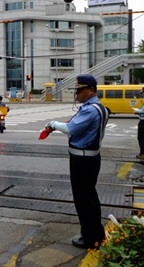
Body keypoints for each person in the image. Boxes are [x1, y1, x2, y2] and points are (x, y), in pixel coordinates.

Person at [46, 74, 109, 249]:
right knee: (90, 198)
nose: (77, 94)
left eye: (80, 90)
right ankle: (96, 232)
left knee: (83, 200)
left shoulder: (90, 109)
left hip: (82, 159)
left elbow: (70, 129)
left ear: (90, 90)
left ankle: (90, 238)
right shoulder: (99, 107)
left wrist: (53, 123)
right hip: (90, 157)